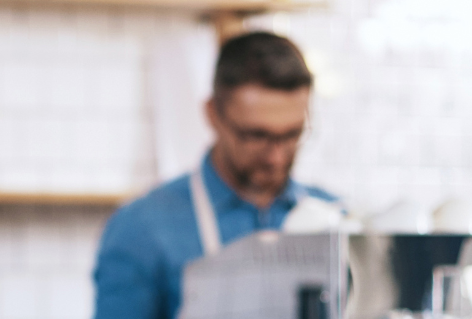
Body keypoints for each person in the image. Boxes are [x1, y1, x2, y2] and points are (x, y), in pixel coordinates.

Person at [91, 31, 338, 319]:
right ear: (212, 115)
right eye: (256, 136)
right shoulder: (141, 228)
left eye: (292, 135)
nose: (276, 156)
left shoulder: (334, 220)